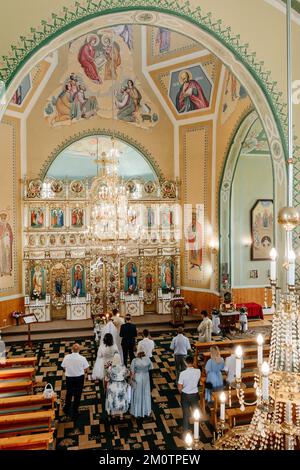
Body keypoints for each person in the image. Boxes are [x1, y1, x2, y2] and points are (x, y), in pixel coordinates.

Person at [61, 343, 89, 423]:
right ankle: (75, 410)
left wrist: (69, 370)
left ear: (71, 350)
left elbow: (63, 366)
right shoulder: (82, 358)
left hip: (69, 377)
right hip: (79, 378)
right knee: (78, 394)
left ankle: (67, 409)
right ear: (79, 350)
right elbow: (87, 369)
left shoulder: (66, 357)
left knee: (69, 393)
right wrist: (83, 372)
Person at [178, 355, 201, 432]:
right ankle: (196, 430)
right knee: (196, 413)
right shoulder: (198, 371)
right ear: (193, 362)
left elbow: (179, 387)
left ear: (185, 363)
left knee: (186, 414)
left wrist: (182, 392)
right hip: (195, 394)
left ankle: (185, 431)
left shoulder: (182, 373)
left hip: (185, 395)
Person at [130, 344, 152, 418]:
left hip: (138, 377)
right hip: (146, 377)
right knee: (145, 393)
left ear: (136, 352)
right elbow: (151, 367)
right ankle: (146, 411)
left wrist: (131, 380)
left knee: (138, 394)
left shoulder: (134, 360)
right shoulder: (148, 359)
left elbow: (132, 373)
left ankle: (137, 412)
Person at [105, 354, 130, 419]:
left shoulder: (110, 368)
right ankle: (121, 415)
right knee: (121, 400)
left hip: (113, 386)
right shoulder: (123, 367)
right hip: (121, 386)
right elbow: (127, 374)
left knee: (113, 400)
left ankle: (113, 414)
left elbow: (106, 378)